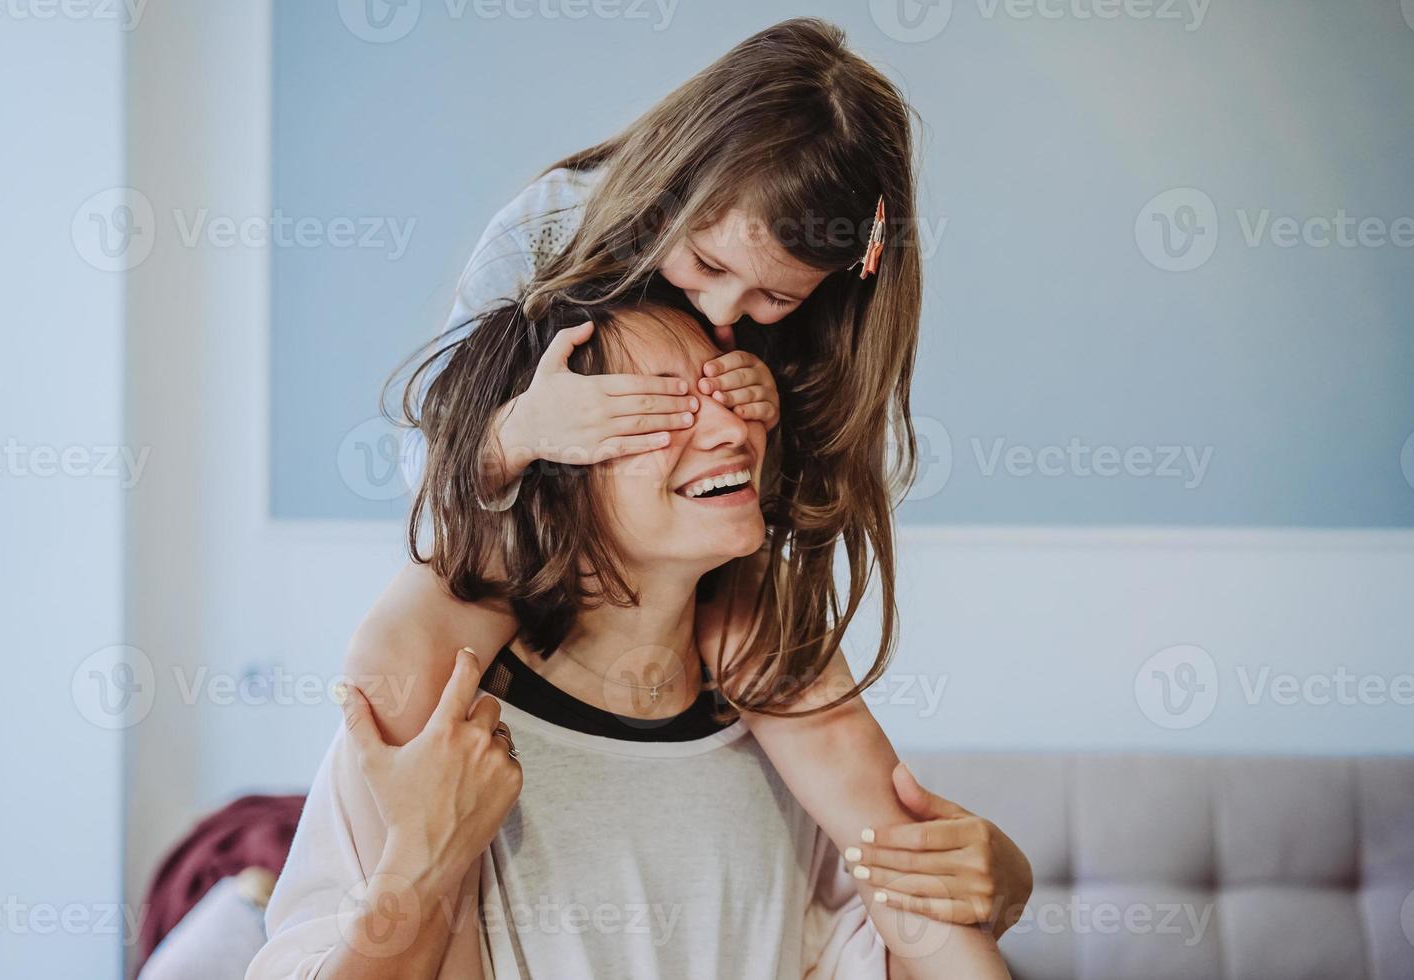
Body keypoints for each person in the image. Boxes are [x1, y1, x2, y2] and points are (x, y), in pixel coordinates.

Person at [357, 17, 1032, 950]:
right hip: (514, 540)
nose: (725, 314)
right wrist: (519, 431)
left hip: (700, 563)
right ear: (674, 183)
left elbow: (782, 497)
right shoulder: (557, 220)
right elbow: (427, 481)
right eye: (708, 267)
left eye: (772, 302)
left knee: (817, 721)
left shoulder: (817, 326)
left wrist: (773, 407)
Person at [251, 293, 1011, 978]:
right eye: (659, 407)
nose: (730, 430)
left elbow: (875, 957)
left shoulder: (778, 735)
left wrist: (998, 887)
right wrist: (420, 864)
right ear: (554, 461)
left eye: (725, 389)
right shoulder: (433, 738)